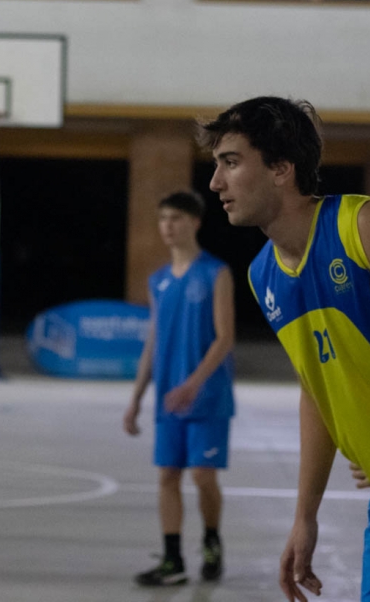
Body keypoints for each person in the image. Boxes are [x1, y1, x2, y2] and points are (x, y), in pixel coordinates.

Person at [198, 96, 370, 602]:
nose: (215, 183)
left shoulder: (364, 226)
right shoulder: (263, 275)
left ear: (281, 169)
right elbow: (317, 390)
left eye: (231, 162)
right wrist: (304, 516)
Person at [124, 190, 236, 587]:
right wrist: (136, 399)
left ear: (195, 222)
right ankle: (173, 560)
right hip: (169, 399)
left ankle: (211, 539)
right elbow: (153, 342)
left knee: (203, 477)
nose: (167, 226)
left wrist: (194, 383)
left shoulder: (216, 273)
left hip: (207, 397)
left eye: (175, 218)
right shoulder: (158, 281)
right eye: (163, 219)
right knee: (168, 477)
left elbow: (225, 338)